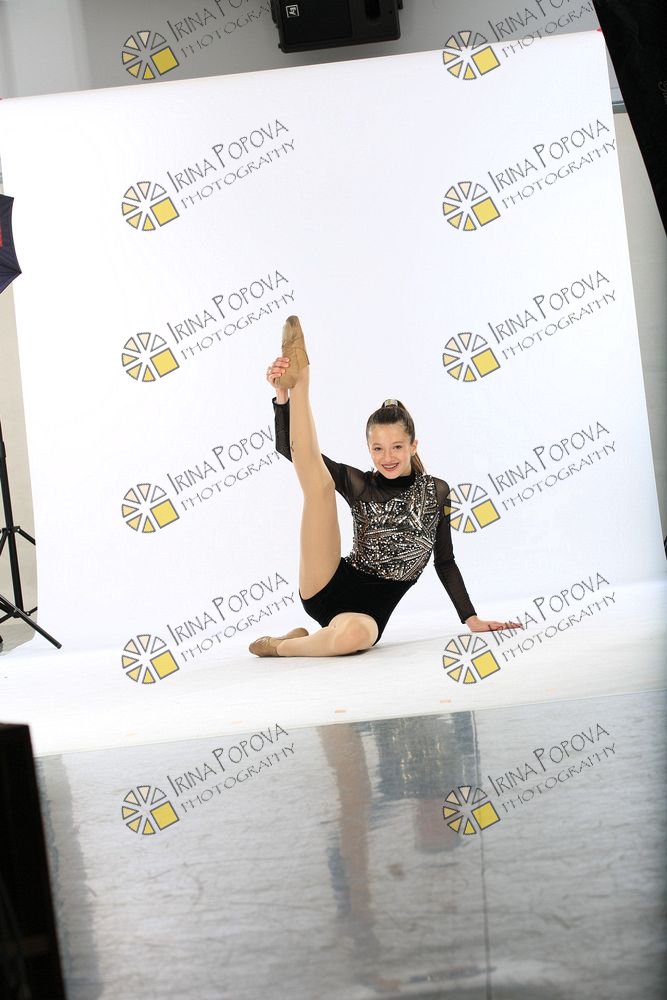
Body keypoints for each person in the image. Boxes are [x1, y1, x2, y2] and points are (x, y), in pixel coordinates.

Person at [249, 316, 520, 657]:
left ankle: (283, 645)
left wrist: (471, 618)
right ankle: (301, 379)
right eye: (378, 449)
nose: (387, 457)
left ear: (413, 446)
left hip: (366, 615)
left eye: (397, 447)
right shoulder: (359, 484)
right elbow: (295, 452)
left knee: (352, 638)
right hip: (325, 583)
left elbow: (445, 561)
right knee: (319, 485)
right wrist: (282, 397)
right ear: (369, 449)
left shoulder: (436, 492)